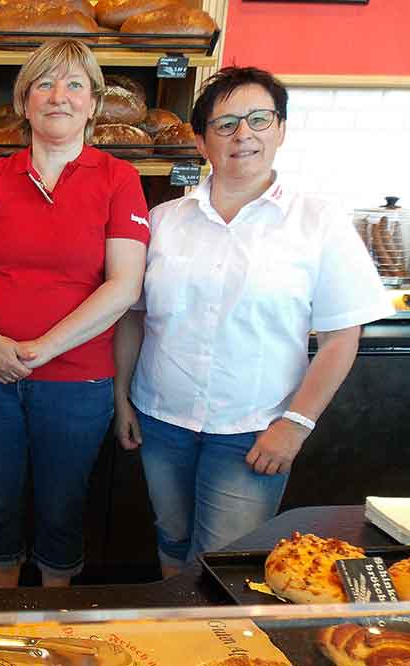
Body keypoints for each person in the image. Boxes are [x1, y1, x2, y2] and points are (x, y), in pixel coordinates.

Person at [112, 66, 393, 577]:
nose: (244, 135)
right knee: (171, 542)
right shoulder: (163, 221)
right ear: (200, 140)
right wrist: (121, 398)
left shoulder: (318, 221)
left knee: (224, 564)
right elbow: (132, 319)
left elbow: (341, 337)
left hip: (253, 432)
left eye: (259, 120)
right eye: (225, 125)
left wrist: (296, 425)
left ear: (280, 130)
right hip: (162, 421)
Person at [0, 39, 149, 588]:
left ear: (93, 103)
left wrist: (44, 348)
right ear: (24, 101)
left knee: (63, 504)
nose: (58, 96)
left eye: (74, 85)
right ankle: (4, 612)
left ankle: (52, 614)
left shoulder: (118, 179)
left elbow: (124, 284)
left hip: (77, 378)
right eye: (44, 83)